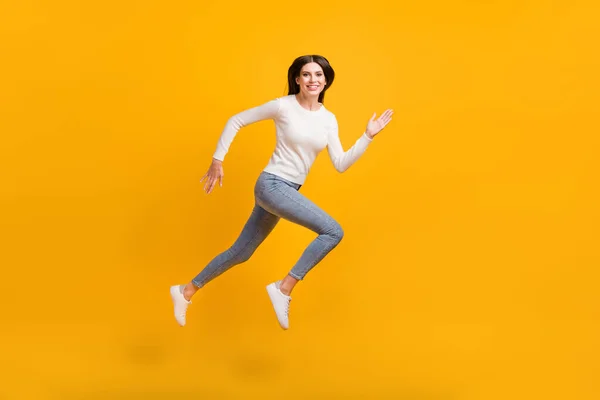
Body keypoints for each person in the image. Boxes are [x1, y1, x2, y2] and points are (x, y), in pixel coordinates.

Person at [170, 54, 393, 330]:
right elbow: (237, 120)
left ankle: (185, 291)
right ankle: (284, 288)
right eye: (307, 74)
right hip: (272, 185)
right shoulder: (283, 107)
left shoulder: (328, 119)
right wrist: (218, 158)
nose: (313, 80)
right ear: (297, 79)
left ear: (326, 80)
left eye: (319, 75)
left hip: (286, 189)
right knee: (333, 231)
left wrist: (367, 136)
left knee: (241, 252)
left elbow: (341, 164)